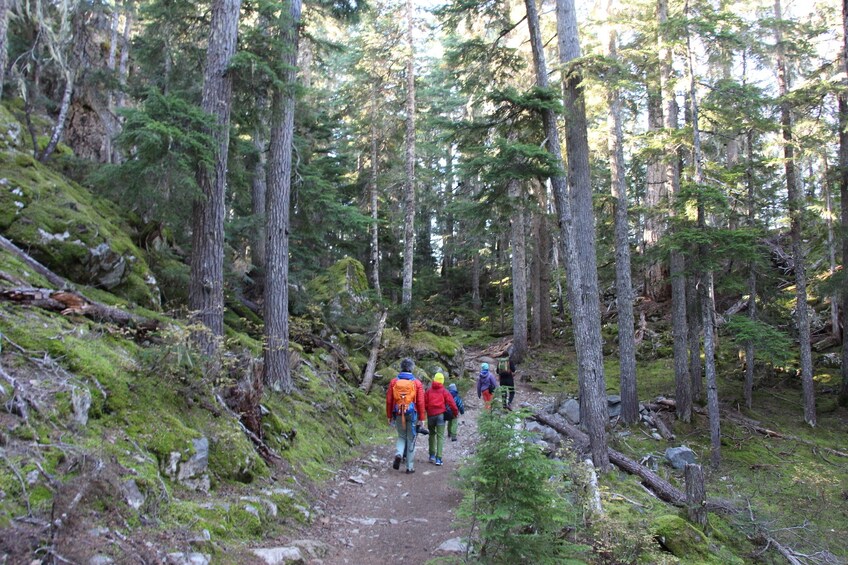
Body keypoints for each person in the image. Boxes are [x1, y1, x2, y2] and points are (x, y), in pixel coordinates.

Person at [386, 358, 426, 473]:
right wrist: (422, 418)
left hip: (399, 413)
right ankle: (409, 467)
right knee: (410, 438)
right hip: (412, 414)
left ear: (401, 367)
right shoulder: (417, 383)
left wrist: (389, 415)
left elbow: (389, 400)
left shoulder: (394, 382)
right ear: (411, 368)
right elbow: (420, 402)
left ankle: (399, 453)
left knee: (401, 436)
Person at [424, 373, 459, 466]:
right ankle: (438, 459)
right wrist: (455, 413)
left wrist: (428, 411)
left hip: (430, 415)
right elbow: (452, 403)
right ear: (442, 381)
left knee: (431, 434)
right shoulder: (444, 391)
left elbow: (424, 403)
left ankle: (431, 455)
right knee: (440, 436)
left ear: (434, 380)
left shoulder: (428, 391)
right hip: (440, 416)